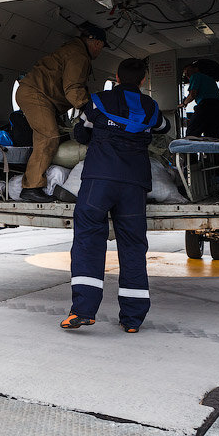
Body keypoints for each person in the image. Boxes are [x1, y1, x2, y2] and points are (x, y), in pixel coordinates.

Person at [61, 58, 171, 333]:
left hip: (99, 180)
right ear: (143, 80)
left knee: (88, 240)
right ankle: (132, 320)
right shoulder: (150, 106)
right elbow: (162, 128)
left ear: (117, 77)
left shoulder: (98, 101)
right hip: (134, 184)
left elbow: (80, 132)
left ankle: (83, 311)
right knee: (133, 246)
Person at [15, 23, 108, 203]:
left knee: (57, 136)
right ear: (96, 43)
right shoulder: (79, 56)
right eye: (101, 47)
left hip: (42, 96)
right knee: (49, 136)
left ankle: (39, 179)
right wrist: (90, 110)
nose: (100, 51)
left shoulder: (74, 50)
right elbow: (73, 89)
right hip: (37, 94)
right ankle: (31, 187)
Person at [178, 61, 219, 138]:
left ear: (196, 69)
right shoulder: (208, 79)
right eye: (185, 73)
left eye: (188, 71)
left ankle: (189, 149)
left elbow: (192, 94)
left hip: (207, 105)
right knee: (212, 135)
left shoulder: (196, 76)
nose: (187, 74)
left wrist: (184, 103)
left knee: (192, 132)